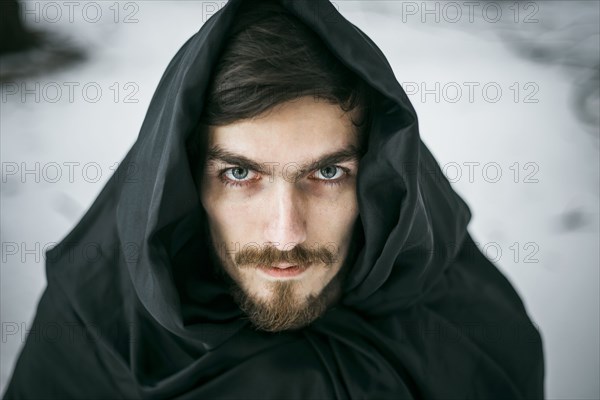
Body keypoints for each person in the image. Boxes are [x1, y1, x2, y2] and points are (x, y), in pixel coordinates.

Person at [3, 0, 545, 398]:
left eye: (328, 172)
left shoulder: (462, 316)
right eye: (240, 173)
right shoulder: (100, 327)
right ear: (183, 183)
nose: (285, 233)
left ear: (380, 176)